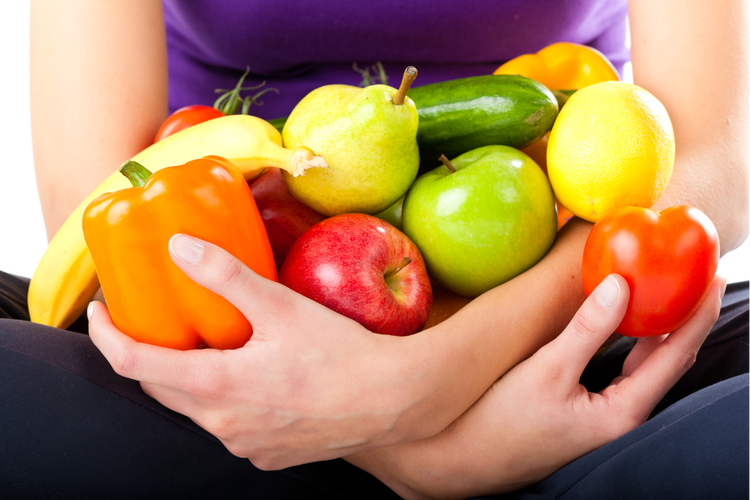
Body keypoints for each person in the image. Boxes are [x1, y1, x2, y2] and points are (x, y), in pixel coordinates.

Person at [3, 0, 748, 498]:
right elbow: (96, 200)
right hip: (227, 354)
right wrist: (408, 445)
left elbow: (715, 149)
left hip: (558, 331)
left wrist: (440, 375)